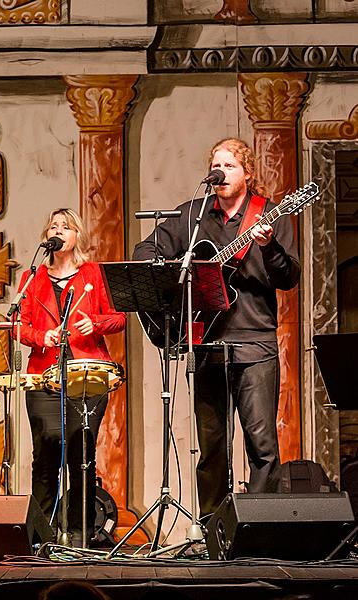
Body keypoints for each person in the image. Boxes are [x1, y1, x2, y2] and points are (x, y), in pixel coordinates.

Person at [132, 137, 300, 518]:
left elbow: (288, 276)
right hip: (205, 342)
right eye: (216, 165)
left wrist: (270, 246)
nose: (220, 172)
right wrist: (173, 277)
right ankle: (213, 529)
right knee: (211, 447)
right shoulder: (193, 216)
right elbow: (146, 251)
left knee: (262, 445)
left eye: (230, 165)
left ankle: (259, 530)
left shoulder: (270, 215)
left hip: (254, 344)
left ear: (248, 173)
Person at [17, 208, 126, 545]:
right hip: (43, 376)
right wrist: (40, 337)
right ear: (46, 235)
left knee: (82, 455)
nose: (59, 231)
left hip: (88, 375)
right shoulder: (32, 277)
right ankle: (40, 536)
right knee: (45, 456)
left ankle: (80, 534)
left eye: (66, 227)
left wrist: (95, 323)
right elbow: (17, 325)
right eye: (53, 226)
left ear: (77, 235)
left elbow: (119, 317)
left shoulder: (93, 273)